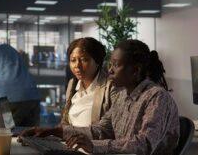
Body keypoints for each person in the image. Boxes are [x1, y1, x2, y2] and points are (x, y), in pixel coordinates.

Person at [19, 39, 179, 155]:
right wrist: (54, 131)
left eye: (115, 65)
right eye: (110, 64)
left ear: (135, 70)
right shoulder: (123, 95)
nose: (109, 70)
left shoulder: (157, 97)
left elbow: (145, 144)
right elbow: (101, 129)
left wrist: (95, 146)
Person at [0, 32, 41, 127]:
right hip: (33, 97)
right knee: (31, 135)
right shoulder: (9, 48)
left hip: (7, 102)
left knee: (5, 133)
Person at [61, 37, 118, 127]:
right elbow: (65, 122)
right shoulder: (73, 84)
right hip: (69, 139)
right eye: (73, 60)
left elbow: (109, 128)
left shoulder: (111, 86)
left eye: (84, 60)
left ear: (97, 61)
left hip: (94, 140)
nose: (77, 65)